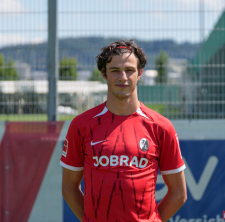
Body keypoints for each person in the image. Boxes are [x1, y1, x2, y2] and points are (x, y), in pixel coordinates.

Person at [60, 39, 187, 222]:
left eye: (129, 70)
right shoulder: (81, 125)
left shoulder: (161, 127)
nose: (123, 77)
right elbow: (69, 188)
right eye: (114, 71)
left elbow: (178, 193)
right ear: (104, 74)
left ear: (140, 73)